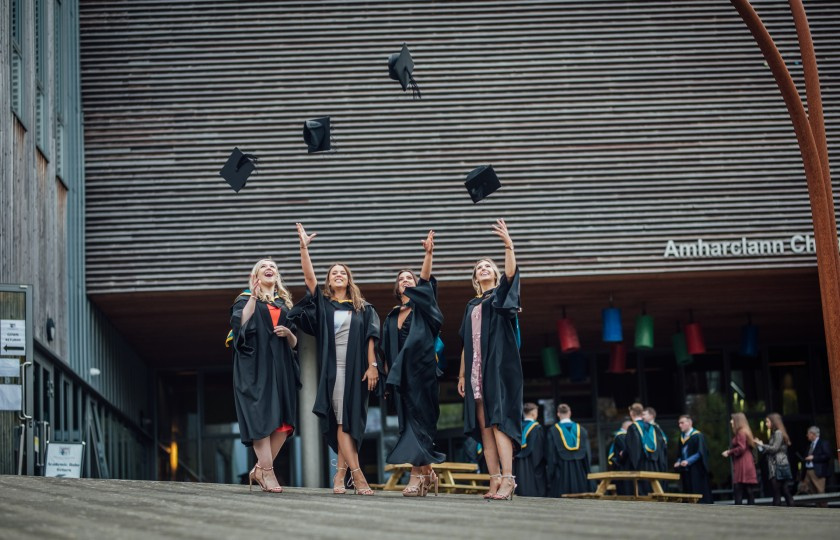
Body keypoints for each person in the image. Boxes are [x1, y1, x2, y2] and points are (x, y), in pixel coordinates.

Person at [289, 223, 381, 496]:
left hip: (358, 371)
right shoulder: (324, 304)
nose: (338, 275)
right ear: (329, 282)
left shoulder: (363, 308)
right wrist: (304, 248)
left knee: (352, 422)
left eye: (342, 273)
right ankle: (358, 475)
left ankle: (339, 477)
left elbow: (371, 337)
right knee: (342, 421)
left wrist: (372, 365)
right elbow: (308, 279)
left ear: (348, 279)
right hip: (335, 371)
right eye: (333, 274)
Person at [457, 218, 523, 501]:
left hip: (496, 367)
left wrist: (509, 245)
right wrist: (461, 374)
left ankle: (509, 479)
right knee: (484, 425)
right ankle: (493, 478)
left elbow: (511, 276)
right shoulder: (472, 304)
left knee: (499, 422)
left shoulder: (500, 295)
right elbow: (465, 342)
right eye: (479, 268)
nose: (483, 269)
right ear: (475, 278)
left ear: (495, 275)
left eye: (488, 266)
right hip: (475, 370)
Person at [382, 230, 445, 497]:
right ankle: (426, 472)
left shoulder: (423, 308)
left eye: (410, 278)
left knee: (420, 424)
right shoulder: (391, 316)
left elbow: (426, 281)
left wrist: (428, 255)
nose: (406, 280)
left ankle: (416, 478)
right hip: (399, 379)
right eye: (401, 279)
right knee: (407, 425)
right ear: (397, 288)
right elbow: (386, 350)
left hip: (422, 375)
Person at [228, 258, 299, 493]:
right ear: (256, 275)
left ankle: (260, 468)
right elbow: (241, 324)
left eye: (274, 267)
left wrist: (289, 333)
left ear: (277, 276)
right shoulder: (245, 299)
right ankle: (268, 474)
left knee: (283, 423)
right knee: (260, 417)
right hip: (255, 366)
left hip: (281, 365)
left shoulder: (285, 303)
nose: (270, 269)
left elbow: (294, 342)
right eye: (264, 267)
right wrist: (253, 296)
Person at [546, 403, 592, 497]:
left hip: (562, 475)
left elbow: (551, 457)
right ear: (570, 413)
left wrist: (550, 476)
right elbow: (588, 456)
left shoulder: (553, 431)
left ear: (558, 414)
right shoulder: (582, 430)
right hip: (580, 474)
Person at [755, 412, 794, 506]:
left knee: (777, 492)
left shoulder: (778, 433)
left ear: (773, 422)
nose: (766, 424)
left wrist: (762, 445)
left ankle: (778, 513)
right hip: (778, 464)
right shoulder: (776, 433)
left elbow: (774, 448)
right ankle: (792, 511)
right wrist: (761, 446)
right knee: (784, 491)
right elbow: (772, 449)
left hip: (777, 465)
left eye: (767, 422)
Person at [674, 414, 712, 503]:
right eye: (679, 423)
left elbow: (700, 453)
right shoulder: (682, 437)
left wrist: (688, 461)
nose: (680, 425)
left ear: (690, 423)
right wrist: (678, 461)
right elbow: (680, 453)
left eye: (682, 423)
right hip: (686, 470)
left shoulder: (698, 435)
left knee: (697, 491)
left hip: (696, 470)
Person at [722, 412, 758, 505]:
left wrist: (729, 452)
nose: (731, 421)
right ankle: (752, 512)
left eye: (732, 420)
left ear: (737, 421)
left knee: (738, 489)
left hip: (743, 463)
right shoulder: (745, 431)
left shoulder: (741, 432)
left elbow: (741, 448)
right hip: (746, 462)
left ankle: (738, 511)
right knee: (748, 489)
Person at [623, 402, 658, 495]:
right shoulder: (651, 426)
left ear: (631, 413)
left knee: (642, 492)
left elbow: (633, 448)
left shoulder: (633, 427)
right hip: (651, 464)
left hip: (640, 464)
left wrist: (624, 453)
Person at [514, 402, 547, 497]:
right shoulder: (537, 428)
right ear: (533, 413)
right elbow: (539, 450)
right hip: (533, 464)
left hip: (518, 462)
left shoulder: (517, 427)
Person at [801, 426, 832, 506]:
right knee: (811, 492)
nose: (807, 435)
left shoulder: (823, 443)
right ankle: (818, 509)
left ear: (812, 434)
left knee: (820, 492)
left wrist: (814, 458)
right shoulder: (810, 445)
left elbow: (827, 456)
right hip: (808, 471)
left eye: (808, 433)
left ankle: (825, 510)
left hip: (818, 471)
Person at [607, 419, 632, 495]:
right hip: (622, 467)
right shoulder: (621, 436)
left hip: (621, 466)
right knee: (625, 491)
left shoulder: (620, 436)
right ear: (628, 427)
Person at [643, 406, 668, 472]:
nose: (643, 417)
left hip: (655, 460)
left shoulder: (653, 428)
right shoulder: (656, 428)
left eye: (644, 414)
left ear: (651, 416)